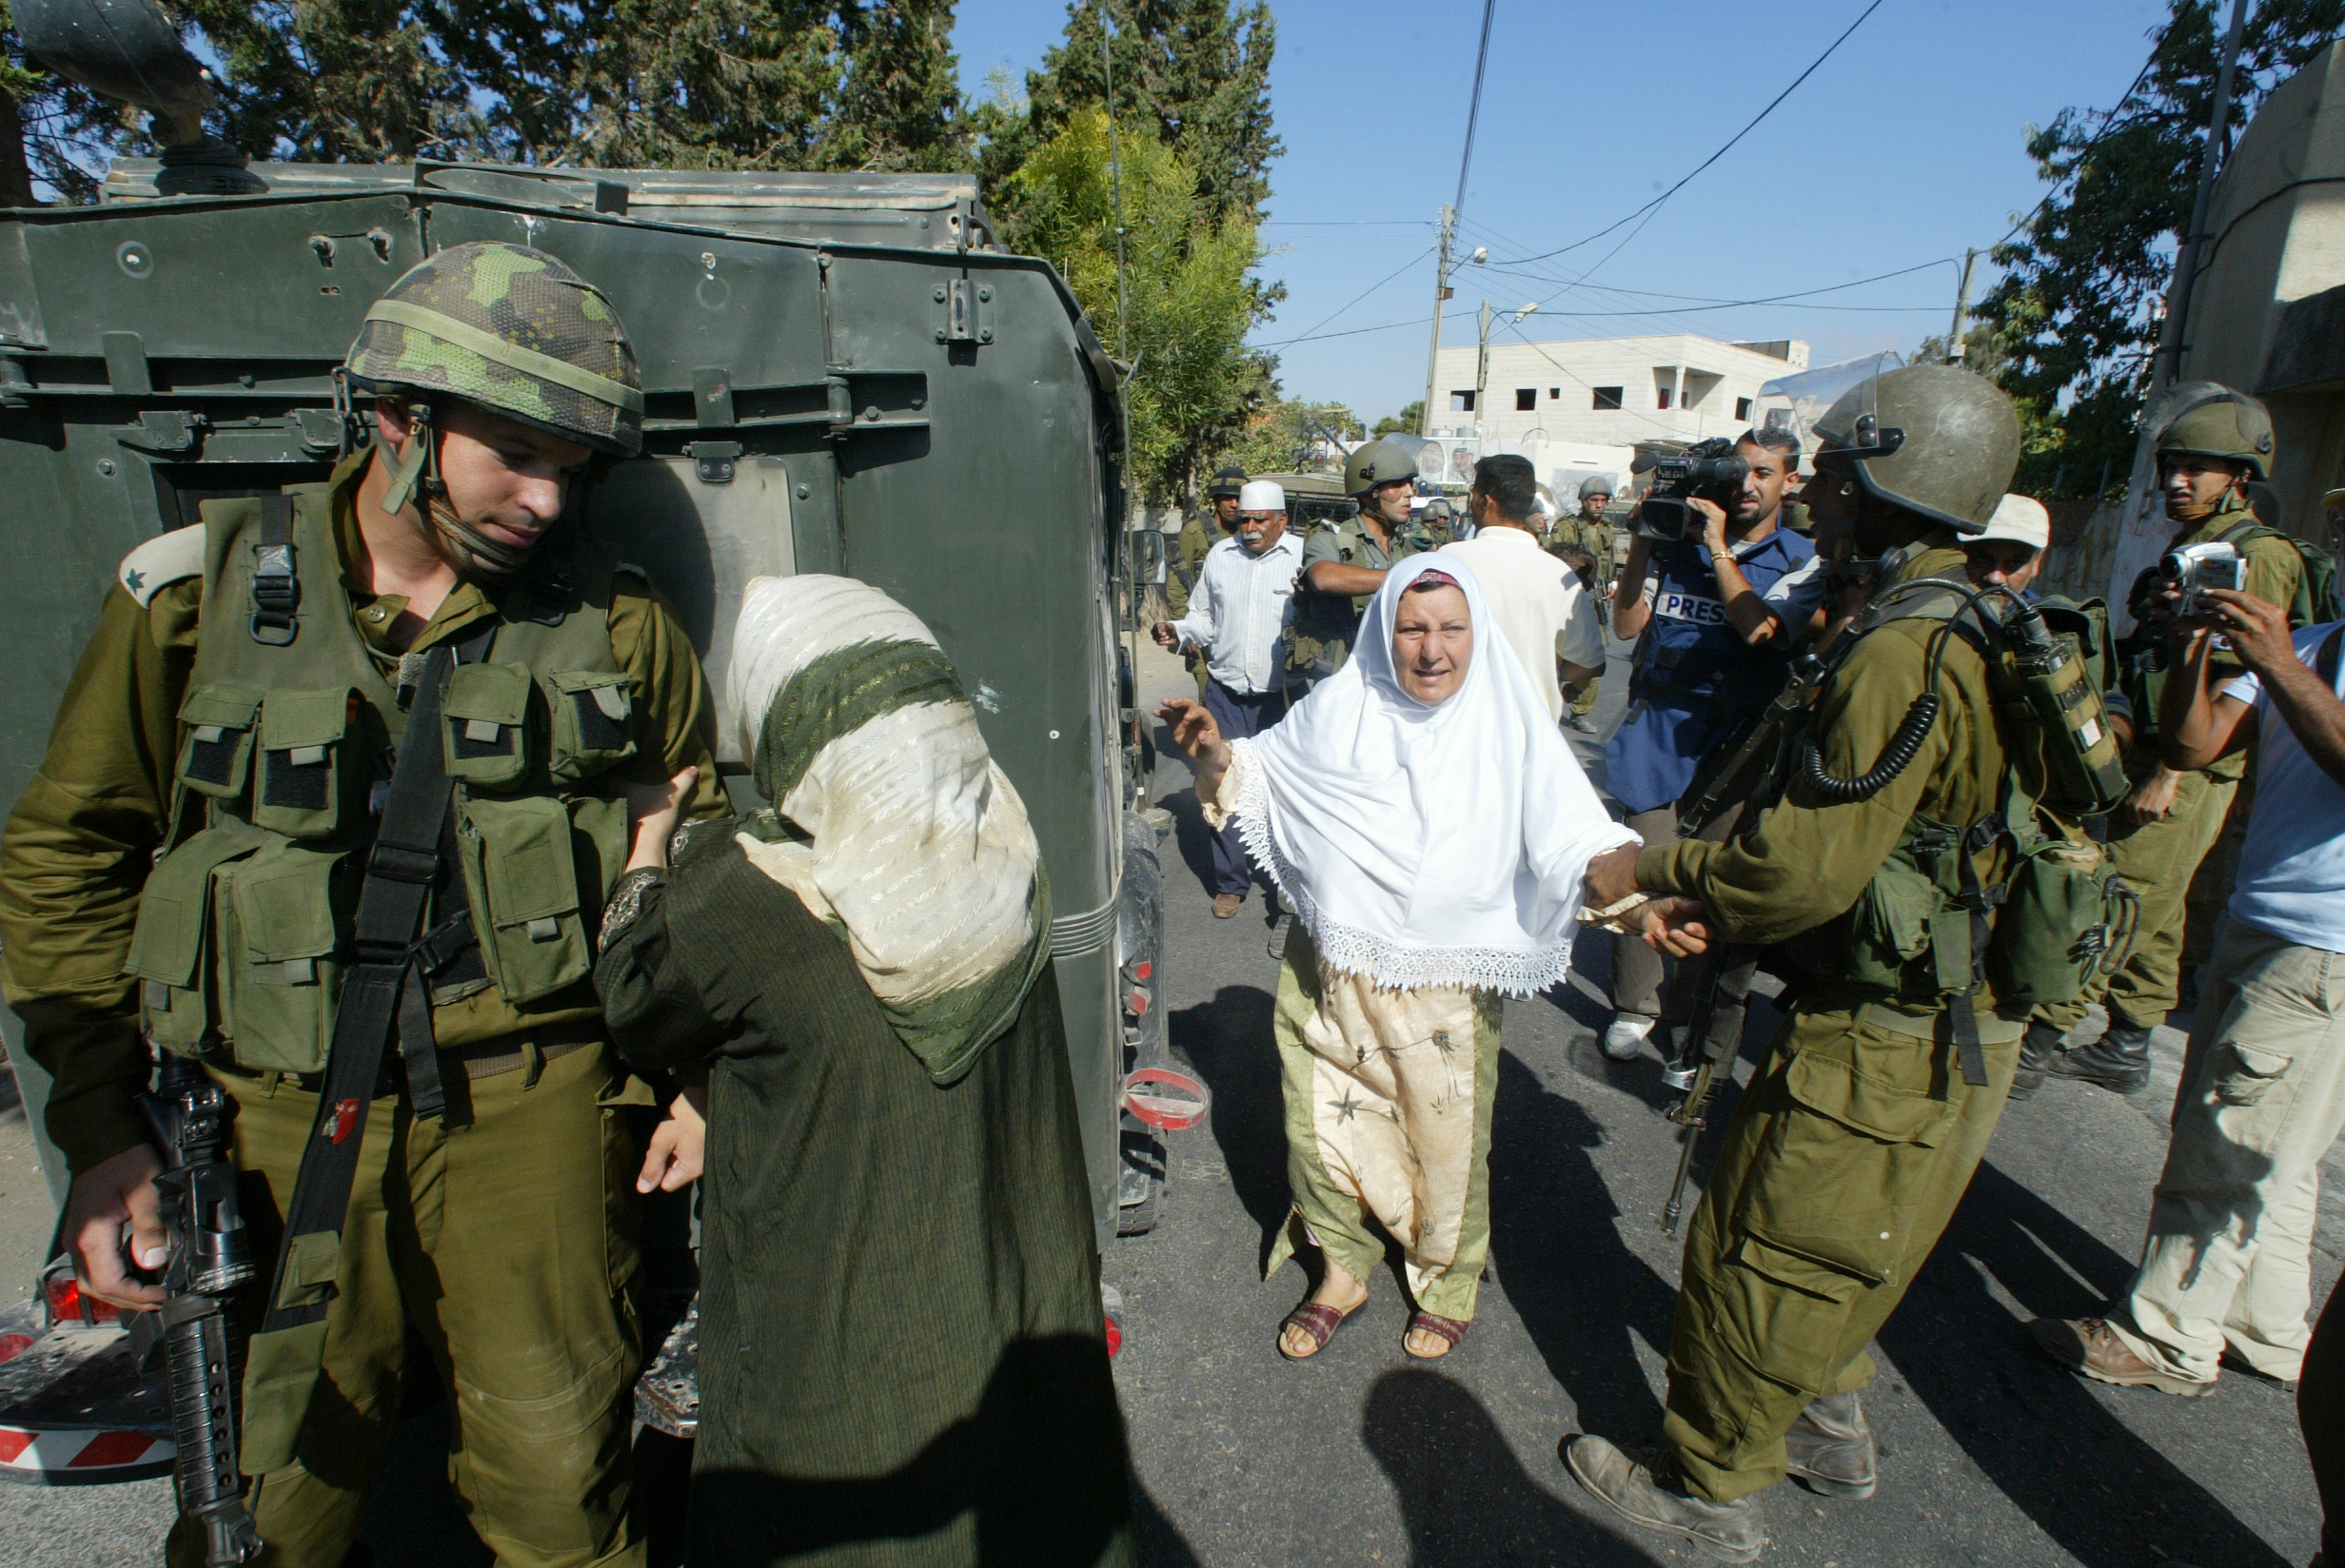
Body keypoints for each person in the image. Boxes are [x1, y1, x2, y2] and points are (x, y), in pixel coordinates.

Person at [0, 241, 723, 1568]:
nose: (549, 500)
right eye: (516, 451)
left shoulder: (615, 626)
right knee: (273, 1504)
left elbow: (698, 846)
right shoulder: (192, 601)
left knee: (563, 1493)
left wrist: (696, 1078)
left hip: (534, 1110)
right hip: (274, 1121)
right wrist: (101, 1124)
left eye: (574, 465)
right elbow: (68, 852)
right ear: (402, 421)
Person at [1567, 363, 2035, 1561]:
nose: (1816, 487)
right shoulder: (1969, 615)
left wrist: (1654, 877)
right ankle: (1827, 1424)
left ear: (1897, 479)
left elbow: (1795, 875)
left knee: (1752, 1247)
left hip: (1879, 1027)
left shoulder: (1896, 648)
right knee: (1848, 1238)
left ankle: (1707, 1489)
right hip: (1946, 1018)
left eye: (1836, 468)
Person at [596, 574, 1134, 1566]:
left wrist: (647, 840)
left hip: (844, 1342)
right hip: (1007, 1292)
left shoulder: (748, 892)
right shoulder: (993, 834)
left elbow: (636, 993)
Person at [1156, 557, 1645, 1362]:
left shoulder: (1509, 721)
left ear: (1476, 633)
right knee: (1321, 1129)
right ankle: (1342, 1269)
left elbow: (1580, 837)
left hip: (1445, 990)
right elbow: (1255, 776)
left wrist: (1646, 893)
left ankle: (1443, 1277)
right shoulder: (1338, 708)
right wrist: (1209, 751)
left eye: (1451, 628)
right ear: (1386, 633)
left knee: (1443, 1136)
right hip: (1329, 973)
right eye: (1412, 629)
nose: (1431, 649)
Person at [2028, 575, 2345, 1399]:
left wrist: (2277, 662)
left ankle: (2166, 1335)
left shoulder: (2294, 655)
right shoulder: (2313, 647)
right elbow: (2197, 745)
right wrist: (2192, 651)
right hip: (2265, 923)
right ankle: (2264, 1328)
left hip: (2327, 947)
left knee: (2226, 1133)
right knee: (2269, 1141)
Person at [2033, 386, 2308, 1097]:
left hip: (2193, 765)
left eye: (2200, 468)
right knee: (2156, 903)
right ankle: (2126, 1044)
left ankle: (2038, 1039)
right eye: (2173, 464)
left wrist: (2175, 776)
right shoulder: (2197, 544)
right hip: (2157, 749)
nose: (2177, 481)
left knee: (2114, 894)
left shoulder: (2262, 555)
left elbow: (2243, 682)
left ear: (2240, 478)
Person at [1600, 424, 1826, 1065]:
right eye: (1740, 471)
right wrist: (1643, 547)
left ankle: (1682, 1012)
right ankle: (1633, 1004)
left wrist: (1719, 546)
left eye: (1763, 474)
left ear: (1790, 482)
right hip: (1658, 731)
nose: (1746, 485)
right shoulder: (1680, 540)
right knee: (1643, 864)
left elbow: (1772, 635)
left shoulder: (1800, 557)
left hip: (1735, 743)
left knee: (1707, 881)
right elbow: (1625, 626)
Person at [1153, 479, 1304, 919]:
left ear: (1281, 520)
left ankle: (1286, 884)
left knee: (1284, 792)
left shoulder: (1303, 557)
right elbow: (1203, 618)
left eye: (1261, 520)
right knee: (1221, 785)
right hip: (1225, 694)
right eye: (1244, 520)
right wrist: (1179, 631)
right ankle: (1231, 883)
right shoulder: (1222, 556)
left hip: (1283, 698)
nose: (1251, 528)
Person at [1441, 453, 1605, 722]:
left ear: (1486, 502)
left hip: (1457, 725)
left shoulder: (1449, 560)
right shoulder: (1559, 576)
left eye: (1473, 495)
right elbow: (1592, 663)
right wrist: (1546, 672)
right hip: (1530, 734)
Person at [1282, 435, 1438, 695]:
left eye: (1409, 483)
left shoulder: (1407, 547)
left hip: (1397, 681)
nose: (1409, 492)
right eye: (1397, 484)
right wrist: (1406, 576)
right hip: (1343, 684)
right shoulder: (1330, 538)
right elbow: (1324, 577)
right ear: (1370, 494)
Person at [1170, 465, 1248, 699]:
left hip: (1236, 630)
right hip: (1203, 632)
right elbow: (1178, 582)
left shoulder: (1248, 533)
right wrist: (1187, 630)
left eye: (1239, 499)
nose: (1234, 505)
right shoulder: (1195, 532)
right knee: (1211, 701)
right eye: (1227, 499)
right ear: (1215, 501)